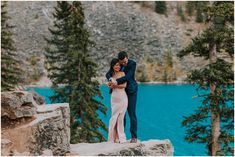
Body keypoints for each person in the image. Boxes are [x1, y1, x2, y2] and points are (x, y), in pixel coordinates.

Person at [106, 51, 138, 143]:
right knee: (121, 115)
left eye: (124, 61)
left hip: (131, 91)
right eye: (121, 62)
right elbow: (108, 74)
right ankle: (120, 136)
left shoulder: (132, 64)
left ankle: (134, 136)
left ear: (127, 57)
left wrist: (115, 82)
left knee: (132, 113)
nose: (123, 64)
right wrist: (111, 79)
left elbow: (128, 77)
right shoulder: (119, 64)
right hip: (119, 94)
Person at [107, 58, 128, 143]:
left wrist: (115, 85)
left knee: (120, 118)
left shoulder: (122, 73)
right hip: (114, 98)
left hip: (122, 97)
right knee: (113, 118)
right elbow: (109, 85)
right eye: (116, 65)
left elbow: (124, 85)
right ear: (112, 66)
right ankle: (112, 138)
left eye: (119, 65)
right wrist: (110, 85)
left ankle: (120, 138)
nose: (117, 66)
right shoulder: (111, 75)